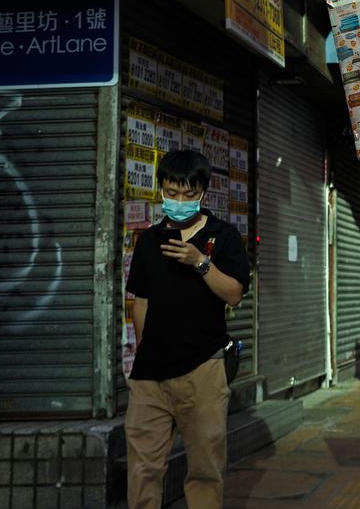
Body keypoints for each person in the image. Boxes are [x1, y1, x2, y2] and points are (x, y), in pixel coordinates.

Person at [125, 150, 250, 509]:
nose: (178, 202)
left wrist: (200, 262)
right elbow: (142, 301)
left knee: (205, 467)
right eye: (171, 193)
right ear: (161, 191)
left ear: (202, 195)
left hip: (203, 367)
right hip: (150, 373)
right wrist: (144, 348)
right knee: (143, 467)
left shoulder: (222, 236)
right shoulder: (149, 240)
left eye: (186, 194)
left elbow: (235, 294)